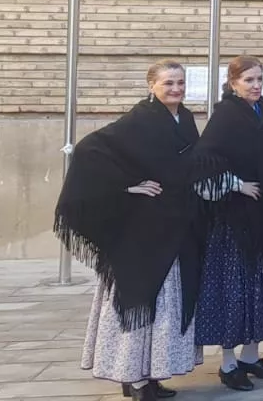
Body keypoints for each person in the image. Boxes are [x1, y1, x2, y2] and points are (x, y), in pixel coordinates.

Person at [59, 60, 204, 401]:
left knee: (164, 307)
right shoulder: (138, 121)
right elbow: (89, 151)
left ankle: (151, 375)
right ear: (151, 85)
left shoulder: (185, 120)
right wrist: (128, 187)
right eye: (168, 83)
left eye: (180, 83)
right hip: (142, 233)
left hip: (174, 227)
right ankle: (133, 379)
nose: (176, 89)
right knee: (139, 300)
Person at [193, 56, 263, 392]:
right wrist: (237, 184)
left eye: (260, 79)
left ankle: (251, 356)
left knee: (262, 286)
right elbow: (204, 161)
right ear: (233, 82)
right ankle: (228, 362)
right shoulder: (226, 115)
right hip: (234, 220)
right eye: (249, 80)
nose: (256, 86)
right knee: (233, 290)